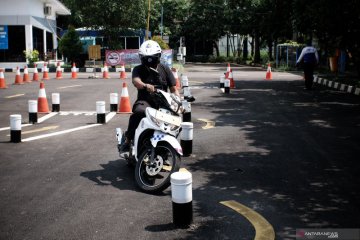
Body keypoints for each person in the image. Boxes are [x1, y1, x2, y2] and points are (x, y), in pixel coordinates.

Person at [120, 40, 180, 152]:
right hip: (145, 101)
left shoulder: (165, 69)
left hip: (163, 104)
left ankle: (168, 148)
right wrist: (145, 85)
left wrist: (178, 102)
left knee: (175, 120)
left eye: (152, 57)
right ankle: (128, 140)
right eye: (146, 58)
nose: (149, 60)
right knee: (138, 112)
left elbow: (173, 89)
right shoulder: (138, 69)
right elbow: (136, 81)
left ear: (158, 56)